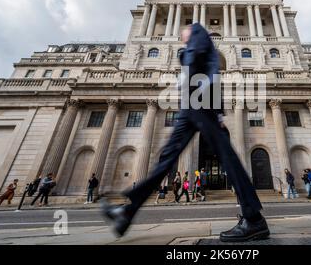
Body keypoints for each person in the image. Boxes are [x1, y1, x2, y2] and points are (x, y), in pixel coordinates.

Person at [101, 24, 268, 242]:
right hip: (192, 104)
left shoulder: (197, 33)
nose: (180, 36)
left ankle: (254, 219)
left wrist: (209, 107)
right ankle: (127, 212)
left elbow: (202, 65)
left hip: (199, 100)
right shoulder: (193, 44)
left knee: (226, 158)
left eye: (183, 33)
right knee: (167, 158)